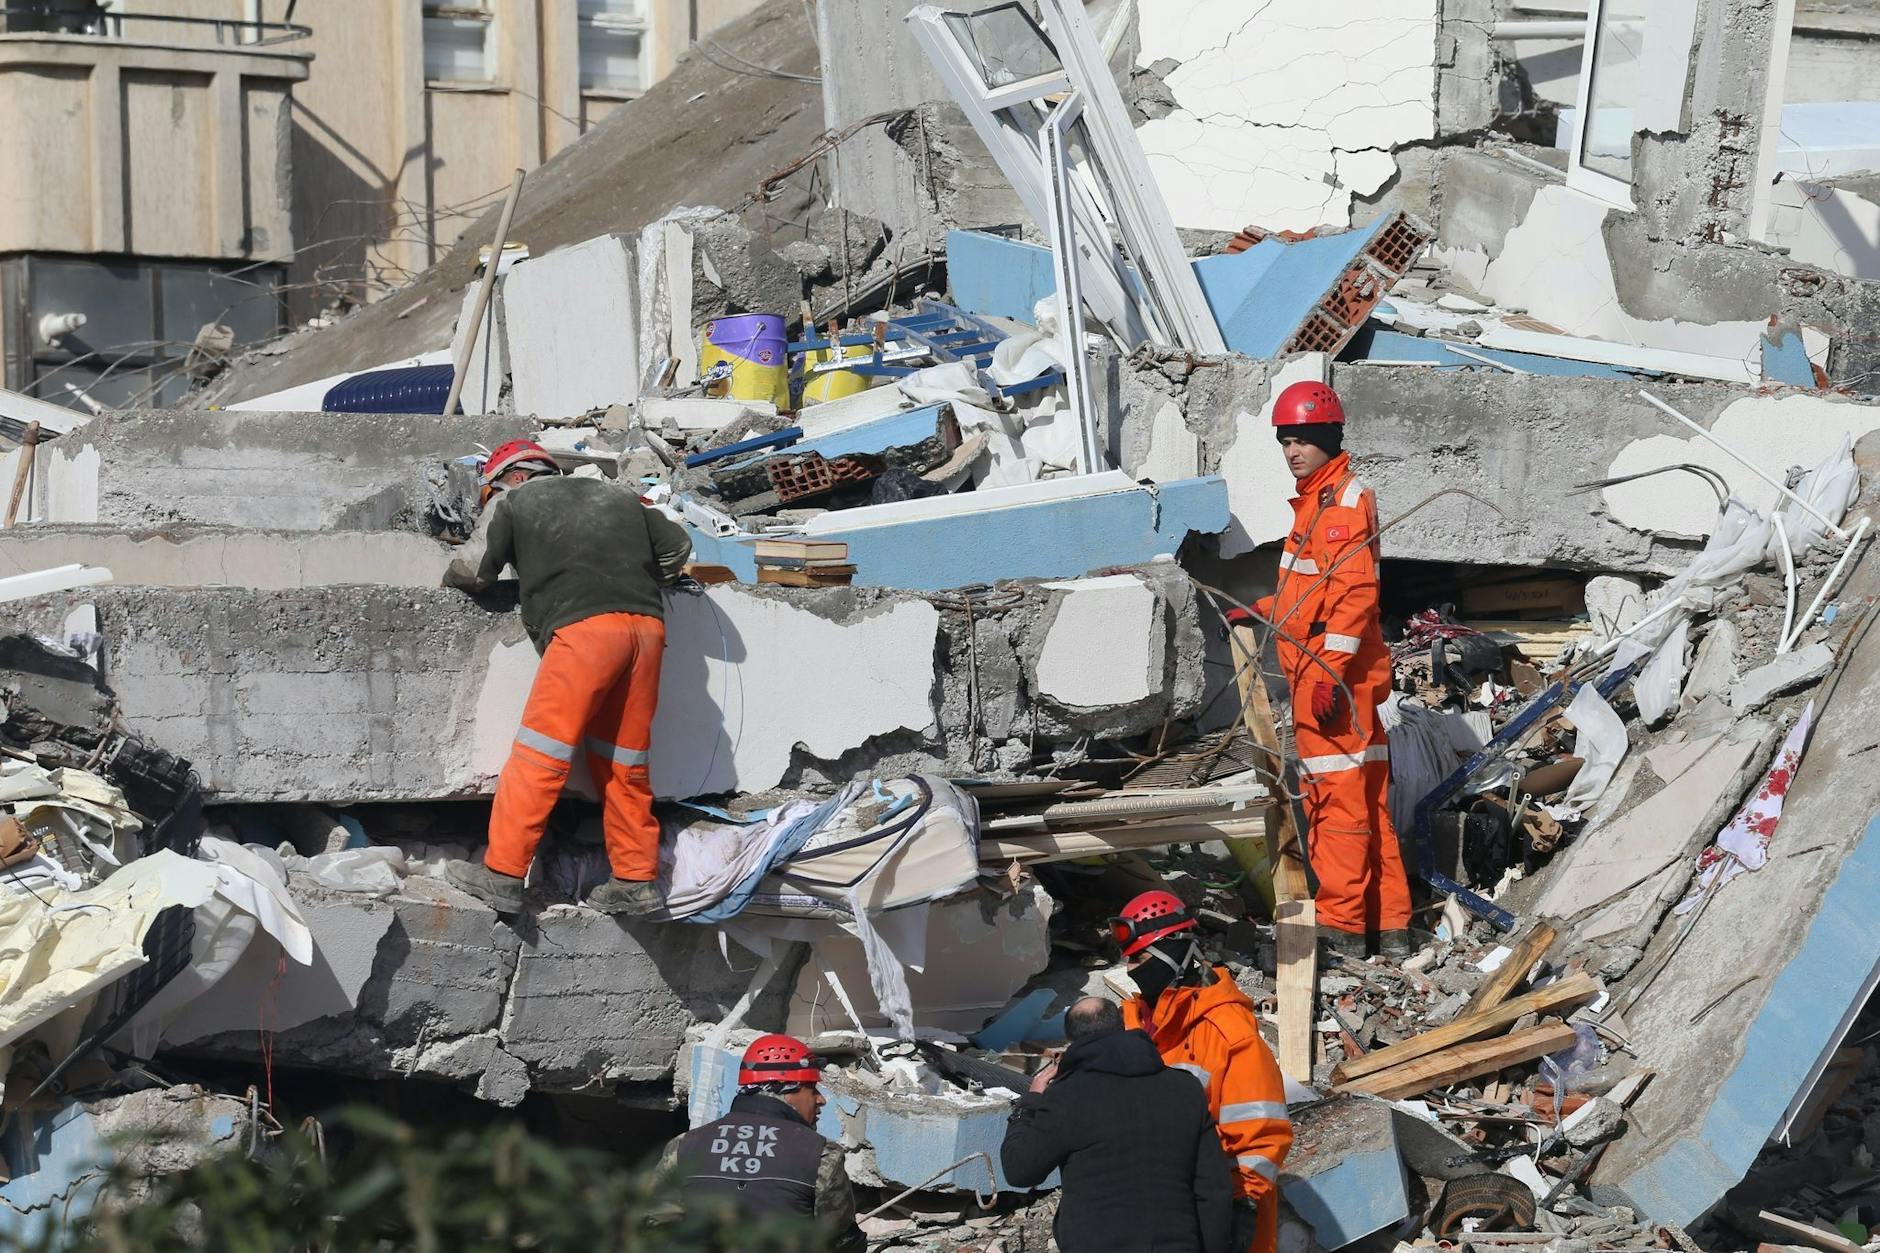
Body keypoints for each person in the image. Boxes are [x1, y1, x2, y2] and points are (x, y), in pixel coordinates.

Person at [441, 439, 693, 916]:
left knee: (542, 755)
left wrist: (447, 582)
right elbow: (678, 547)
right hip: (646, 630)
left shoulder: (514, 499)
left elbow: (474, 571)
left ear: (512, 477)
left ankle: (503, 873)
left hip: (585, 634)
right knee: (624, 760)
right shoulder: (621, 496)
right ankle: (636, 879)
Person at [1236, 380, 1412, 958]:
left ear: (1329, 438)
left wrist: (1330, 673)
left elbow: (1353, 595)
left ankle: (1340, 928)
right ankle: (1389, 926)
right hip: (1337, 677)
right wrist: (1260, 610)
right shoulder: (1318, 502)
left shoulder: (1339, 503)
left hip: (1331, 682)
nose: (1293, 451)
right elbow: (1308, 594)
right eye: (1286, 440)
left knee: (1335, 807)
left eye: (1304, 439)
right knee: (1365, 806)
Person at [1114, 891, 1292, 1253]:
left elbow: (1259, 1133)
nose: (1130, 970)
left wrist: (1241, 1207)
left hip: (1217, 1210)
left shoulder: (1227, 1031)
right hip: (1153, 1209)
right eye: (1128, 960)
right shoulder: (1131, 1026)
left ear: (1174, 953)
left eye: (1140, 958)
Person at [1001, 996, 1236, 1253]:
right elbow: (1214, 1189)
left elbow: (1019, 1170)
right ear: (1121, 1024)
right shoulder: (1185, 1088)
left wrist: (1030, 1103)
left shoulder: (1066, 1096)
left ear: (1071, 1039)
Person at [656, 1033, 865, 1253]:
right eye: (812, 1088)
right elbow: (842, 1242)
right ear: (788, 1089)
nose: (820, 1099)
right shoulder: (820, 1155)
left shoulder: (684, 1145)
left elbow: (652, 1223)